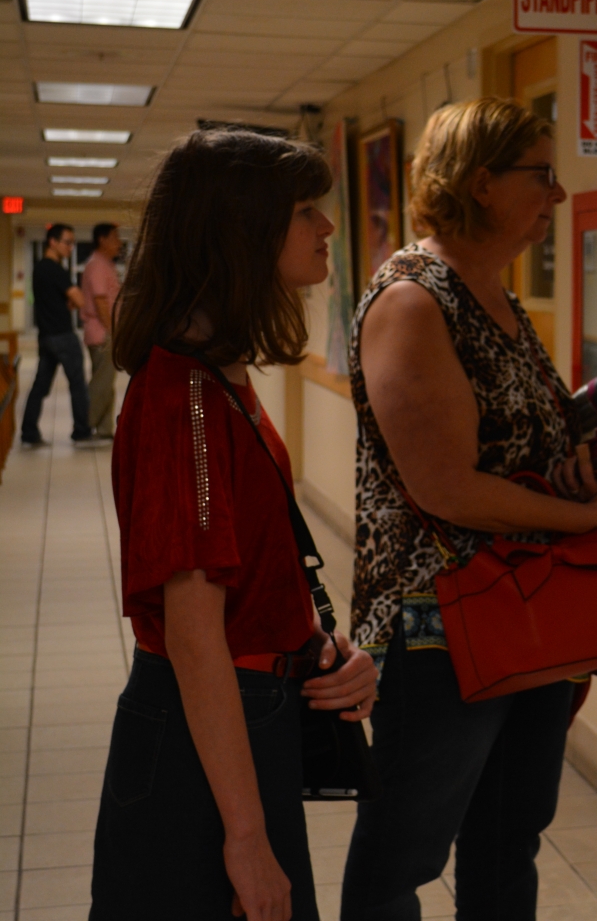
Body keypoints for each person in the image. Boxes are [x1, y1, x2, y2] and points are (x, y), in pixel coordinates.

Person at [341, 97, 597, 920]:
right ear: (480, 182)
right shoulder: (414, 300)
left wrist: (580, 479)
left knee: (509, 838)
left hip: (529, 609)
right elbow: (445, 486)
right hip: (441, 622)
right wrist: (586, 520)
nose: (557, 193)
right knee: (405, 850)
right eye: (540, 174)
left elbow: (504, 456)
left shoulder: (496, 297)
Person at [91, 129, 379, 921]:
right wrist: (246, 837)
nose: (325, 228)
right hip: (201, 742)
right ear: (239, 232)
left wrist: (317, 647)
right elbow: (192, 632)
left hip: (248, 717)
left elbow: (250, 570)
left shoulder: (218, 376)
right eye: (303, 211)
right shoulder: (181, 392)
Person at [19, 223, 93, 446]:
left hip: (46, 336)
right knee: (78, 385)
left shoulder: (39, 268)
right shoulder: (55, 269)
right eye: (67, 242)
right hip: (62, 335)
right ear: (53, 242)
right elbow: (79, 300)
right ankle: (82, 431)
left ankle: (28, 433)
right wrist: (72, 298)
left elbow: (59, 300)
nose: (71, 247)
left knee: (40, 387)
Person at [81, 222, 123, 439]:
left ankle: (105, 428)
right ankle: (85, 424)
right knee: (101, 383)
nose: (119, 243)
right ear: (102, 239)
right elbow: (100, 302)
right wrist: (111, 331)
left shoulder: (106, 264)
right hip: (102, 332)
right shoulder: (97, 265)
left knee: (107, 383)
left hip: (106, 331)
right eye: (114, 237)